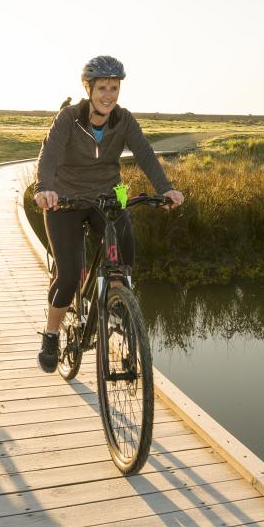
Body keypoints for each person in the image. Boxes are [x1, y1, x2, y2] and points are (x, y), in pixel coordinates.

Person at [32, 55, 184, 371]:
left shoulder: (124, 120)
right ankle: (50, 333)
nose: (108, 95)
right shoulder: (69, 118)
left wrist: (165, 188)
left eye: (114, 88)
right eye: (102, 88)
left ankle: (120, 310)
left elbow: (145, 154)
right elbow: (48, 157)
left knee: (122, 264)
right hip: (65, 201)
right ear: (88, 88)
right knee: (70, 273)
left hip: (107, 198)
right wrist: (44, 188)